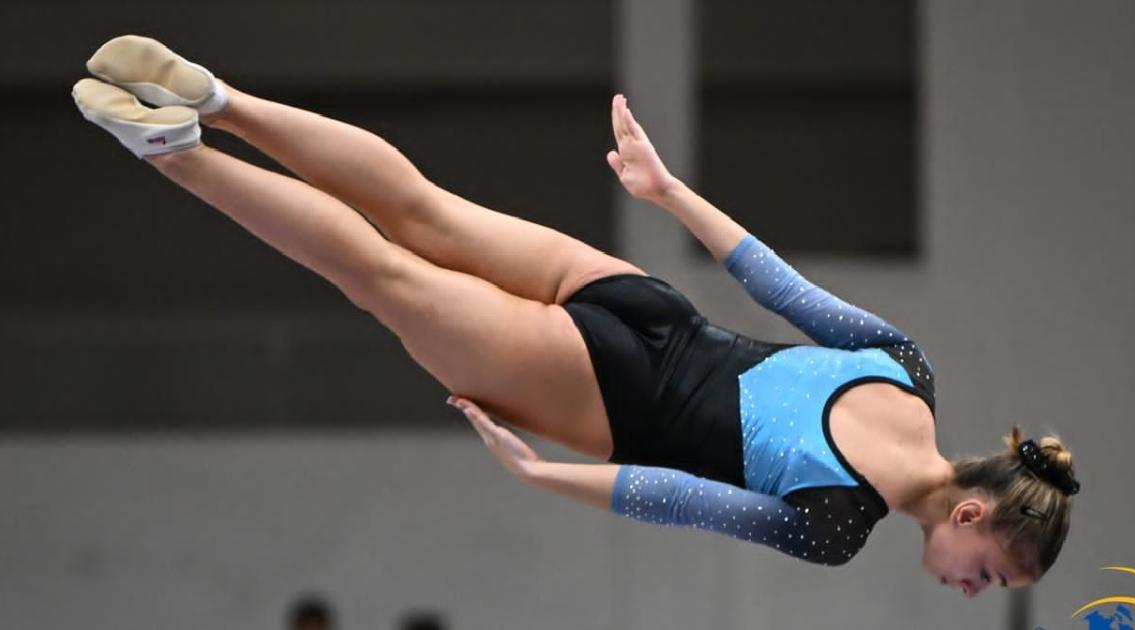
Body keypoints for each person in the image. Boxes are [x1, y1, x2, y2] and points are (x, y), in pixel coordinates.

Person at [73, 35, 1080, 599]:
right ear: (968, 514)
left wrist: (666, 191)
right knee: (380, 273)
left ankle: (220, 96)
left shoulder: (909, 368)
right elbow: (675, 498)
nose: (971, 591)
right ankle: (178, 152)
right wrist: (542, 473)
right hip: (606, 394)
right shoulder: (836, 526)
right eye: (988, 573)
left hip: (647, 309)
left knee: (418, 207)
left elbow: (773, 282)